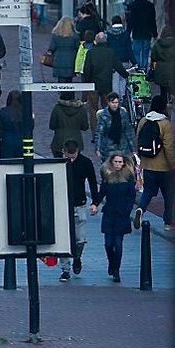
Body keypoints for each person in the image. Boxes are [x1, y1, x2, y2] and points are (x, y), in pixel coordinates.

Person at [91, 152, 137, 282]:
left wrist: (127, 210)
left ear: (124, 163)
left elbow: (131, 196)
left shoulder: (128, 178)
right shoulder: (107, 176)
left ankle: (116, 270)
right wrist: (95, 204)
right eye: (115, 162)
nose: (117, 164)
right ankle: (112, 262)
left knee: (118, 242)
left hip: (122, 214)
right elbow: (102, 193)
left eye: (120, 162)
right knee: (108, 244)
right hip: (109, 213)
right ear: (112, 162)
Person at [59, 140, 97, 282]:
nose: (71, 159)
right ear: (63, 152)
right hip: (62, 205)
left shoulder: (85, 162)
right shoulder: (58, 163)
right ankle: (65, 270)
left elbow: (92, 181)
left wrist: (95, 202)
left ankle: (77, 257)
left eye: (73, 156)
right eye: (68, 156)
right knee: (64, 239)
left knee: (80, 239)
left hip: (79, 203)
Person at [135, 95, 174, 231]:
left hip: (148, 165)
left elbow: (138, 140)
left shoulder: (144, 121)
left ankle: (141, 208)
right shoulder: (165, 124)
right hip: (164, 168)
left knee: (148, 192)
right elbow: (169, 148)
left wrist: (141, 160)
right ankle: (168, 223)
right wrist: (172, 165)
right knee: (168, 195)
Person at [82, 32, 129, 135]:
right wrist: (126, 75)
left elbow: (87, 69)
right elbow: (118, 66)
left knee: (93, 110)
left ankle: (95, 133)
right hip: (106, 84)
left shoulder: (91, 52)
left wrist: (87, 82)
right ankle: (107, 131)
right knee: (107, 108)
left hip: (93, 85)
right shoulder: (110, 52)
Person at [96, 92, 136, 160]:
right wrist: (98, 148)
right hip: (108, 148)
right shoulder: (103, 115)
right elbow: (100, 133)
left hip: (122, 147)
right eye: (112, 102)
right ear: (108, 103)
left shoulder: (123, 114)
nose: (114, 105)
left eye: (116, 102)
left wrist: (133, 149)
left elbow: (128, 132)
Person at [49, 91, 89, 157]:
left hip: (59, 141)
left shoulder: (57, 108)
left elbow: (52, 126)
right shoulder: (81, 109)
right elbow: (85, 127)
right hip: (77, 141)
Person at [127, 0, 156, 68]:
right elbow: (153, 21)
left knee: (136, 53)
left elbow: (131, 21)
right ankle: (144, 70)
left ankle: (138, 70)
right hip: (147, 34)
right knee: (145, 54)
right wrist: (155, 33)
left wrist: (128, 32)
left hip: (137, 34)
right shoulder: (150, 5)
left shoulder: (134, 6)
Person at [46, 17, 80, 82]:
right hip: (71, 60)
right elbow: (77, 48)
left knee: (61, 82)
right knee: (69, 82)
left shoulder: (55, 36)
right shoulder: (75, 36)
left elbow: (51, 48)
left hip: (58, 61)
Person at [0, 89, 25, 159]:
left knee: (7, 166)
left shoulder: (4, 112)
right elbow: (30, 128)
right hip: (22, 142)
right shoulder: (25, 112)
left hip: (7, 142)